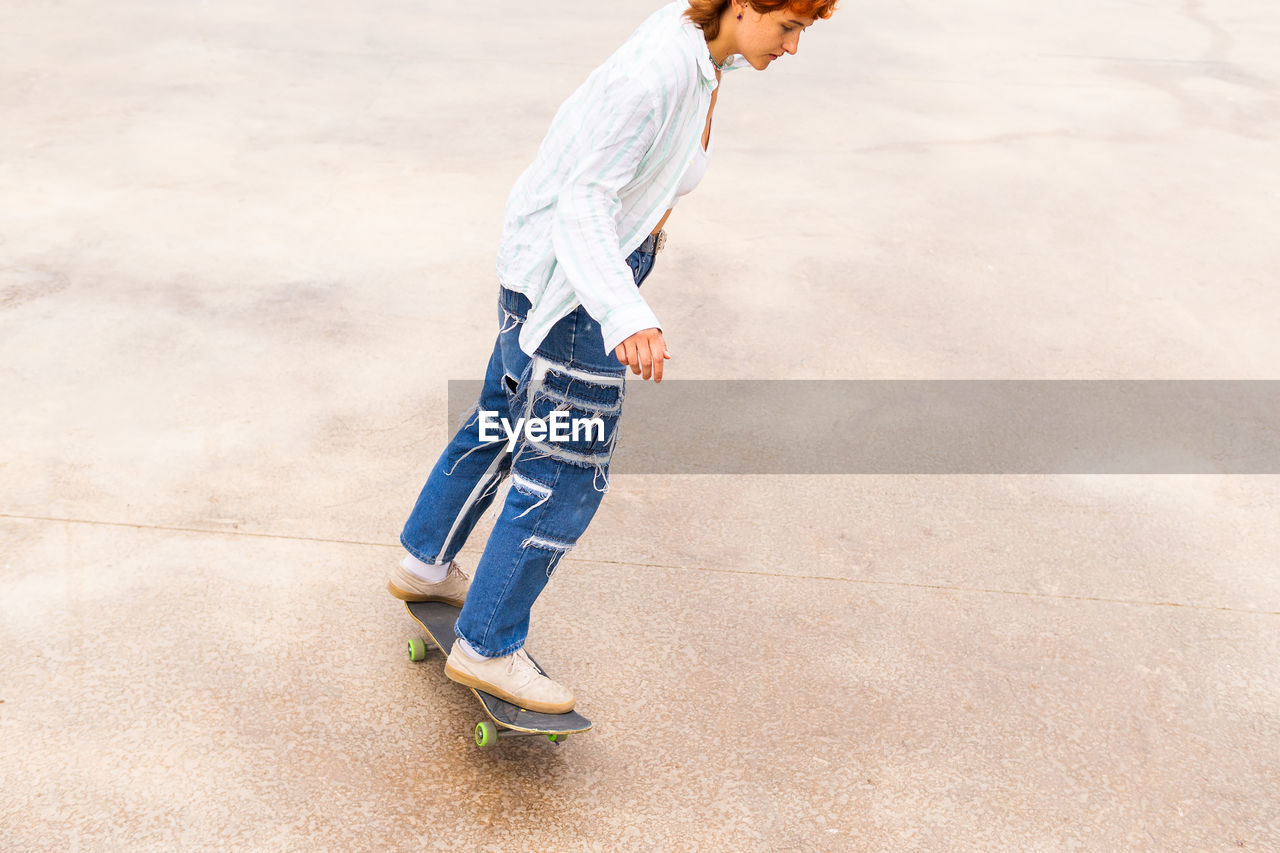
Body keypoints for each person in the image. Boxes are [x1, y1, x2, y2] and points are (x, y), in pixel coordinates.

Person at [390, 0, 839, 714]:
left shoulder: (699, 48)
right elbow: (585, 199)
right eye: (788, 27)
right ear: (748, 6)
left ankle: (424, 559)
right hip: (578, 286)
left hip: (540, 268)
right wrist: (623, 309)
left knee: (503, 421)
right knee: (565, 468)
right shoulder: (658, 74)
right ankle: (489, 645)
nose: (792, 48)